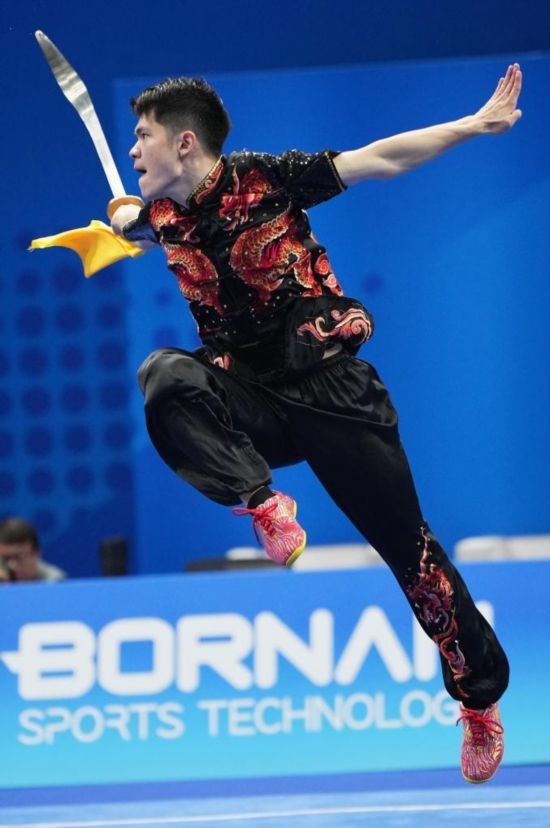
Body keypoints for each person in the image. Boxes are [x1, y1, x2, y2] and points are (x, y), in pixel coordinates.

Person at [109, 64, 522, 784]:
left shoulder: (264, 178)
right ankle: (262, 502)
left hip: (332, 390)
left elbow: (380, 158)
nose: (134, 150)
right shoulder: (163, 214)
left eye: (143, 137)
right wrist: (119, 223)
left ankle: (478, 700)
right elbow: (131, 227)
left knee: (415, 561)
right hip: (252, 398)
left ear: (184, 143)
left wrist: (471, 124)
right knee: (164, 375)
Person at [0, 517, 67, 583]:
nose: (12, 565)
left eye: (18, 557)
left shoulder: (55, 581)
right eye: (5, 558)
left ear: (36, 553)